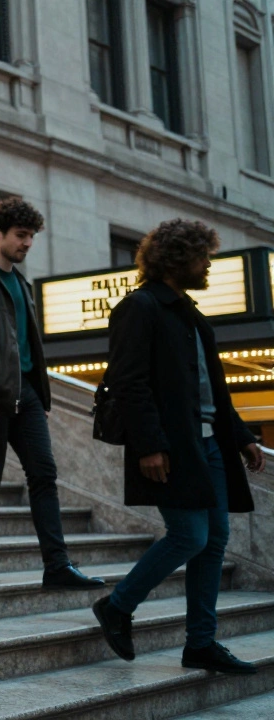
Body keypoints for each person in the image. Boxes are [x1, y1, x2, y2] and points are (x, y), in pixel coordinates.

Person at [92, 219, 265, 673]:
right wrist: (149, 445)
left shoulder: (190, 313)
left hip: (210, 445)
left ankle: (200, 644)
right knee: (190, 535)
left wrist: (242, 435)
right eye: (203, 255)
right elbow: (129, 382)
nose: (208, 264)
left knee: (215, 540)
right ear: (177, 257)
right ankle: (118, 605)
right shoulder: (140, 307)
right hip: (173, 446)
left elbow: (213, 389)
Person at [0, 198, 103, 590]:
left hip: (26, 393)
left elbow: (28, 345)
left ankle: (57, 565)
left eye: (31, 236)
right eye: (21, 235)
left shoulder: (21, 283)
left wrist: (40, 399)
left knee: (44, 474)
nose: (27, 243)